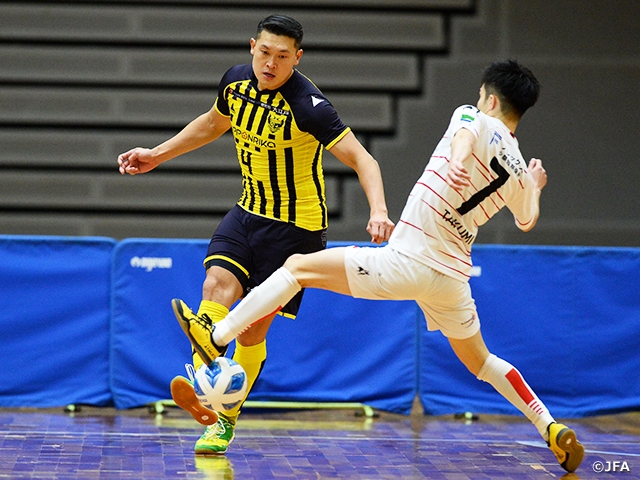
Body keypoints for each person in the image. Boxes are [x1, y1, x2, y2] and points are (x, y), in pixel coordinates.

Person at [171, 59, 585, 472]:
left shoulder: (472, 115)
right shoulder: (518, 166)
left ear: (490, 98)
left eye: (481, 96)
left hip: (408, 260)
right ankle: (549, 427)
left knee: (296, 267)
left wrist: (458, 160)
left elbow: (466, 133)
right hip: (453, 278)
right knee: (482, 362)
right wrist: (534, 186)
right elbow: (527, 220)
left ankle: (218, 337)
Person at [117, 14, 394, 454]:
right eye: (264, 52)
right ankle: (211, 383)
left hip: (296, 231)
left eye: (283, 57)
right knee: (215, 284)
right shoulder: (235, 84)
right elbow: (212, 123)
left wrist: (378, 210)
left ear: (297, 58)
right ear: (252, 47)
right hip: (248, 212)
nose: (271, 63)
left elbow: (364, 160)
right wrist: (157, 154)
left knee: (249, 333)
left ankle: (223, 415)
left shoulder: (309, 105)